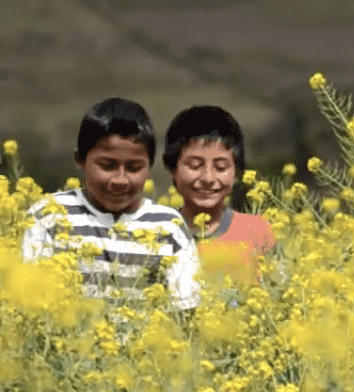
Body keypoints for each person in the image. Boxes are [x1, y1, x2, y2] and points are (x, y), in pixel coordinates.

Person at [20, 97, 201, 322]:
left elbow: (186, 313)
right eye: (107, 166)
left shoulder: (169, 226)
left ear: (150, 167)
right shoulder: (49, 215)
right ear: (80, 160)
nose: (120, 180)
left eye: (134, 168)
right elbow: (30, 302)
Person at [163, 105, 279, 299]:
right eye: (194, 165)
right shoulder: (158, 236)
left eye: (221, 166)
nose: (208, 178)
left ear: (236, 173)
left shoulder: (258, 232)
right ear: (173, 170)